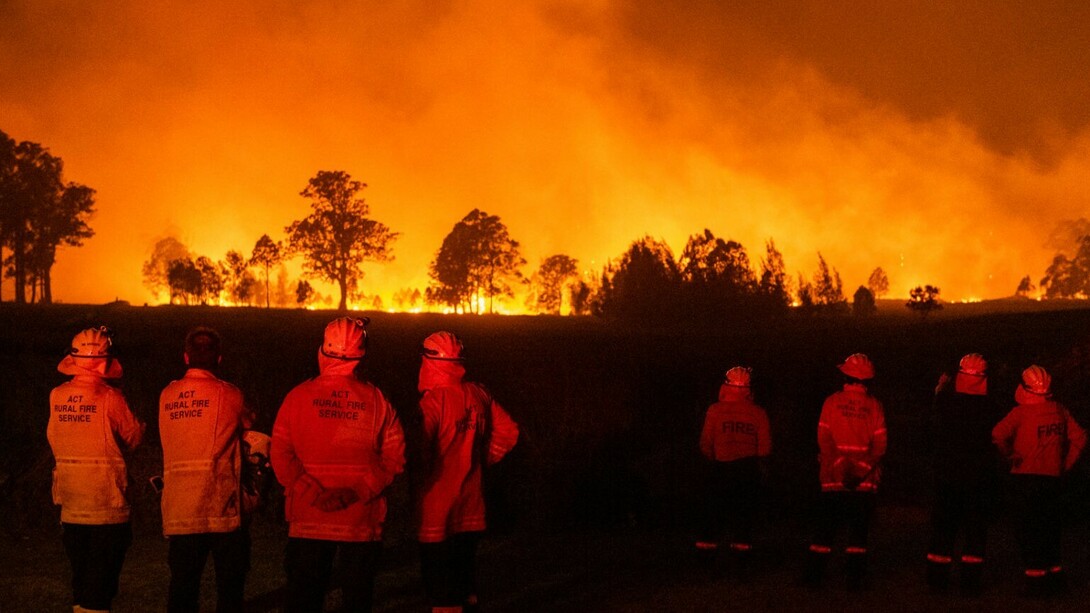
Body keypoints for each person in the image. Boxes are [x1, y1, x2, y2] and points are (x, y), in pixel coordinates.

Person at [271, 317, 405, 613]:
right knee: (357, 600)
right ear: (362, 355)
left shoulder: (297, 397)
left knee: (303, 601)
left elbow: (280, 453)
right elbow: (395, 457)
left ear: (323, 350)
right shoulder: (378, 400)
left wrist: (313, 493)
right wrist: (356, 492)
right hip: (360, 523)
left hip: (309, 520)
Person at [417, 331, 519, 613]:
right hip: (472, 506)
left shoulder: (431, 404)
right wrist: (483, 459)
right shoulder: (479, 393)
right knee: (466, 584)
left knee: (441, 590)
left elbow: (421, 455)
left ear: (429, 362)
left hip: (437, 510)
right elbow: (509, 432)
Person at [47, 326, 145, 613]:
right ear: (106, 359)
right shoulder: (111, 398)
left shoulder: (57, 396)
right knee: (101, 586)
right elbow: (133, 438)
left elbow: (53, 438)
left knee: (82, 582)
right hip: (106, 506)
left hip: (71, 503)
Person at [159, 327, 254, 613]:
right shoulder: (231, 395)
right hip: (221, 504)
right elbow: (249, 423)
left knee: (183, 585)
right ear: (220, 359)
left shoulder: (167, 395)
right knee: (230, 584)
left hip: (181, 506)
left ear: (186, 358)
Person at [992, 365, 1087, 597]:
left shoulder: (1021, 412)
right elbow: (1081, 437)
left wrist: (1009, 455)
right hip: (1053, 479)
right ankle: (1056, 580)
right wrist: (1065, 464)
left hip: (1024, 479)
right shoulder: (1059, 410)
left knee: (1028, 531)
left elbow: (997, 434)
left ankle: (1035, 583)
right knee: (1050, 529)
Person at [805, 353, 887, 590]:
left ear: (845, 376)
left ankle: (814, 575)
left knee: (825, 530)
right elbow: (880, 446)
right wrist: (860, 471)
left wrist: (840, 468)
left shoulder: (831, 402)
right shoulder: (875, 405)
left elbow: (824, 440)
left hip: (833, 479)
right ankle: (854, 577)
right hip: (864, 482)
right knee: (858, 533)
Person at [925, 353, 1003, 594]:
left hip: (948, 475)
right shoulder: (991, 406)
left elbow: (934, 426)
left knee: (944, 529)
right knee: (976, 531)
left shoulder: (947, 402)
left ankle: (937, 582)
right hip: (980, 478)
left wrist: (939, 389)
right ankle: (970, 584)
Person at [695, 366, 771, 575]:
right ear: (749, 388)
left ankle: (705, 565)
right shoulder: (758, 413)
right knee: (743, 520)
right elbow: (765, 448)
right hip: (747, 471)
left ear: (725, 386)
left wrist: (715, 460)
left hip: (720, 470)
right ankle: (741, 567)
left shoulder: (714, 410)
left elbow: (705, 443)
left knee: (712, 518)